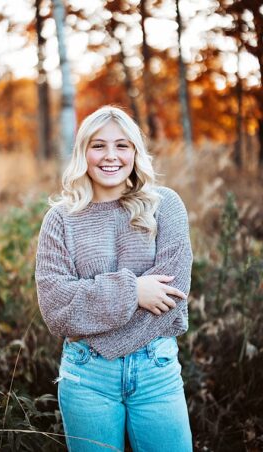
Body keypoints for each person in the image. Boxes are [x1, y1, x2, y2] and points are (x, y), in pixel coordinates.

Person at [35, 105, 193, 451]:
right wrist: (134, 291)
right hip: (87, 376)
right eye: (98, 146)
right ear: (83, 153)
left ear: (135, 153)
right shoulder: (61, 219)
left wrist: (94, 323)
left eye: (122, 146)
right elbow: (55, 307)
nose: (111, 156)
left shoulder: (165, 205)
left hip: (157, 371)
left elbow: (173, 292)